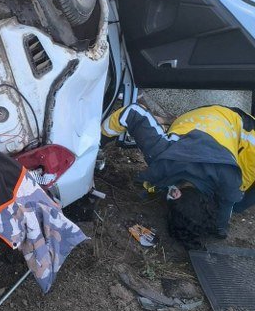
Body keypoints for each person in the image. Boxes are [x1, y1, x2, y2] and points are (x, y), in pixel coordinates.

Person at [100, 104, 255, 245]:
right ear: (175, 193)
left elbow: (228, 204)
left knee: (238, 201)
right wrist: (97, 143)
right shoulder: (162, 152)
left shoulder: (229, 179)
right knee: (237, 196)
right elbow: (132, 113)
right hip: (218, 123)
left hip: (229, 130)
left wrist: (220, 228)